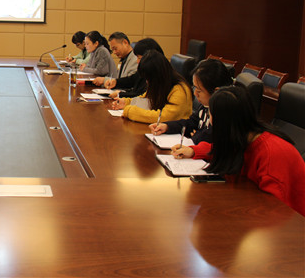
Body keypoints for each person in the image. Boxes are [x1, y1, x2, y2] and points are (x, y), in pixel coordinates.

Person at [171, 86, 305, 215]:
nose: (210, 122)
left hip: (292, 223)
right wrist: (194, 151)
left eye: (211, 116)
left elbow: (272, 209)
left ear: (225, 124)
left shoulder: (272, 154)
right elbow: (226, 148)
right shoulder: (244, 137)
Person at [149, 58, 232, 144]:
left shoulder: (224, 113)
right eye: (194, 88)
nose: (195, 93)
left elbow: (210, 137)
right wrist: (167, 126)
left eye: (199, 90)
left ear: (216, 92)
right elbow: (191, 123)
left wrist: (196, 136)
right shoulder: (205, 106)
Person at [111, 49, 192, 123]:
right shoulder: (162, 84)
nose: (147, 82)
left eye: (149, 79)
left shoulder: (180, 90)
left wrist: (130, 111)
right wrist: (126, 102)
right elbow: (145, 98)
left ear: (157, 75)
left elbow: (163, 117)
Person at [95, 38, 164, 97]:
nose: (137, 61)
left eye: (139, 58)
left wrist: (120, 94)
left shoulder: (156, 74)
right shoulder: (145, 70)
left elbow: (141, 95)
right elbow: (132, 80)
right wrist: (116, 82)